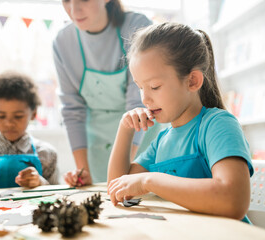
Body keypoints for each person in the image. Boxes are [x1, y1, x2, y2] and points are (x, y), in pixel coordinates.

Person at [107, 22, 254, 223]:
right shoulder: (162, 140)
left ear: (192, 81)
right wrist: (125, 129)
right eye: (140, 87)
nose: (145, 99)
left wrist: (149, 181)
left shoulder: (217, 124)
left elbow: (234, 201)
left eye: (154, 86)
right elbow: (117, 188)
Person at [53, 0, 152, 185]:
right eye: (66, 0)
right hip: (96, 147)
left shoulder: (138, 27)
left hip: (143, 137)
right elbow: (72, 110)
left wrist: (123, 169)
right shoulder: (62, 42)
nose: (74, 10)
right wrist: (83, 172)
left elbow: (138, 101)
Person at [0, 72, 58, 188]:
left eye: (18, 116)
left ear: (33, 114)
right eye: (1, 116)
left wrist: (40, 182)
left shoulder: (46, 154)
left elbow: (56, 195)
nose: (9, 123)